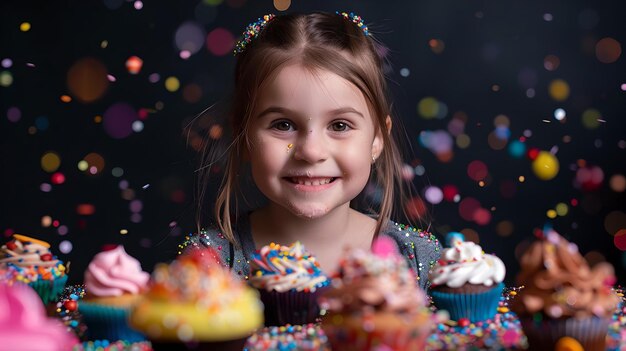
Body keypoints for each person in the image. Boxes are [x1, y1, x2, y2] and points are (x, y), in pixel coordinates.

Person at [179, 11, 441, 290]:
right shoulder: (209, 265)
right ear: (243, 137)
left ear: (377, 139)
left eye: (340, 125)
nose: (311, 151)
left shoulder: (419, 260)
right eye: (283, 124)